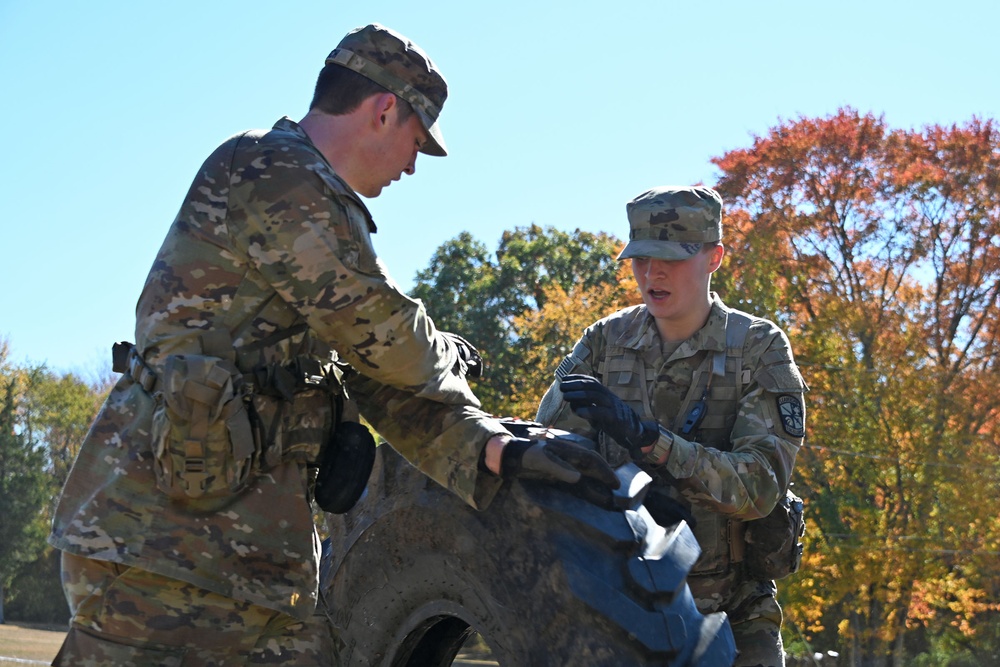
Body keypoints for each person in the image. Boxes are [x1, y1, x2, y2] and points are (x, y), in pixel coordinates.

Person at [48, 23, 615, 666]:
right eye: (416, 142)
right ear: (384, 110)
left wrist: (492, 448)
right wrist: (449, 360)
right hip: (163, 544)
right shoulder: (271, 169)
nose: (410, 165)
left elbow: (374, 375)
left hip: (258, 557)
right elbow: (385, 334)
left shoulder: (318, 208)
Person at [535, 185, 806, 667]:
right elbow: (551, 459)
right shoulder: (603, 342)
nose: (652, 273)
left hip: (730, 614)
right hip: (620, 604)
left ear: (714, 257)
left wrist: (649, 442)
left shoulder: (758, 348)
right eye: (641, 258)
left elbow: (759, 485)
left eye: (671, 258)